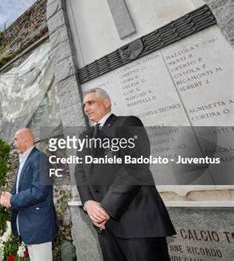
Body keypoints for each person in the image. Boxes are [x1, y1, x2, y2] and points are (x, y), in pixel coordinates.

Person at [74, 88, 175, 261]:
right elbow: (80, 172)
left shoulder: (128, 123)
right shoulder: (85, 136)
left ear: (106, 103)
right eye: (84, 105)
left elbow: (134, 167)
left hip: (137, 221)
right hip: (105, 227)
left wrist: (105, 208)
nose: (86, 108)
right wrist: (88, 203)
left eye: (91, 102)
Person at [0, 128, 58, 261]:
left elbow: (39, 191)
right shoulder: (26, 160)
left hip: (38, 227)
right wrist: (8, 195)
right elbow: (20, 187)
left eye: (16, 139)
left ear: (25, 139)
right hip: (30, 227)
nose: (14, 143)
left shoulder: (40, 158)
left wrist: (12, 200)